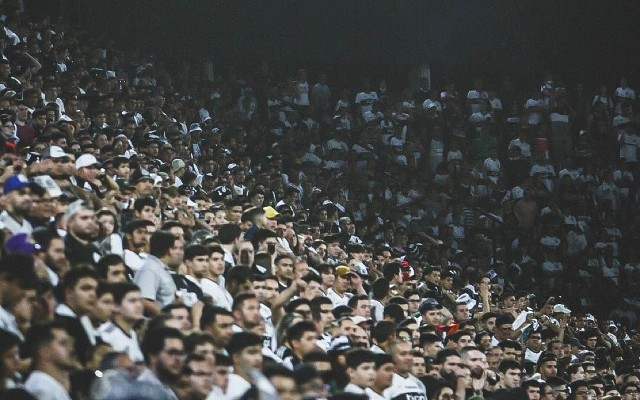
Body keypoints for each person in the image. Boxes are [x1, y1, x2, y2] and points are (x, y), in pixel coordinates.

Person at [134, 231, 182, 315]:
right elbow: (144, 300)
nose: (179, 252)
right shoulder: (150, 269)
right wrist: (165, 317)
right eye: (175, 248)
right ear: (169, 250)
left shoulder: (160, 268)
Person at [24, 321, 74, 400]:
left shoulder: (50, 385)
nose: (71, 349)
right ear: (45, 352)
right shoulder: (41, 389)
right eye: (63, 344)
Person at [98, 282, 145, 363]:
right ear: (116, 306)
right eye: (132, 301)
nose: (139, 305)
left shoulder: (132, 333)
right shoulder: (106, 334)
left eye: (140, 301)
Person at [139, 326, 184, 400]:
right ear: (152, 357)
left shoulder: (165, 386)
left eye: (181, 353)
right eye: (171, 353)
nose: (178, 359)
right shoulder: (144, 392)